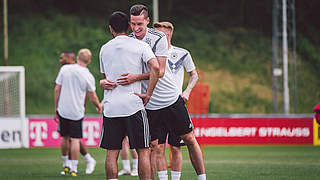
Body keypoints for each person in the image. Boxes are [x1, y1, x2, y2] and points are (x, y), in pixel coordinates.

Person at [114, 4, 206, 180]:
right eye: (133, 24)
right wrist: (108, 80)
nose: (136, 28)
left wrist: (135, 77)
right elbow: (123, 69)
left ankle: (202, 178)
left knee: (189, 139)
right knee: (151, 148)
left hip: (171, 100)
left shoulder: (158, 38)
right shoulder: (129, 40)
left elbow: (160, 71)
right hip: (148, 105)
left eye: (140, 24)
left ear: (147, 21)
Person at [98, 11, 160, 180]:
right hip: (133, 105)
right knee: (143, 151)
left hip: (111, 107)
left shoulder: (104, 49)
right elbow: (156, 68)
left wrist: (103, 83)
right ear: (128, 27)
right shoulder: (140, 46)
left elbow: (106, 80)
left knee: (112, 153)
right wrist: (148, 93)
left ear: (111, 29)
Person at [153, 21, 199, 180]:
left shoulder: (182, 53)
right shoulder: (149, 54)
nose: (158, 38)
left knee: (175, 147)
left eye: (162, 35)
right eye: (156, 34)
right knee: (158, 148)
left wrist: (187, 91)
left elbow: (194, 75)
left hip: (174, 104)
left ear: (169, 34)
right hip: (155, 106)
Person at [54, 48, 102, 177]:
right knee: (75, 140)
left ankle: (66, 165)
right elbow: (93, 96)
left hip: (63, 109)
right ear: (89, 60)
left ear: (77, 57)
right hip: (76, 111)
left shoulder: (65, 69)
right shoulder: (88, 76)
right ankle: (74, 169)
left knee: (64, 138)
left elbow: (57, 89)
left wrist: (56, 108)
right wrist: (99, 106)